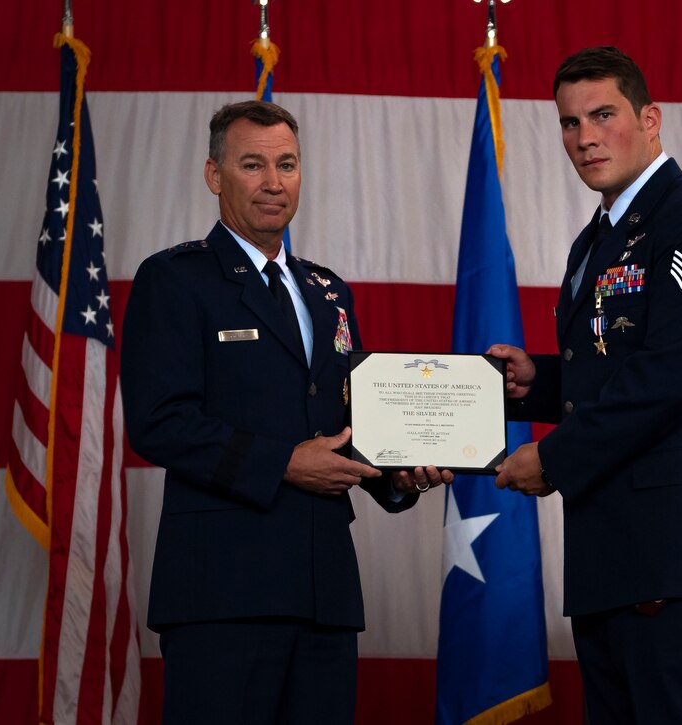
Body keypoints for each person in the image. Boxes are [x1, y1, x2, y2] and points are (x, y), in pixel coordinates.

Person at [121, 100, 450, 725]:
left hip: (323, 589)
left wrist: (396, 474)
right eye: (253, 164)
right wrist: (283, 463)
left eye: (287, 164)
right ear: (215, 175)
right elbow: (158, 422)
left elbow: (350, 420)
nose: (274, 182)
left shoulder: (329, 292)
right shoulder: (175, 280)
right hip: (222, 592)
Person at [490, 47, 682, 724]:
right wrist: (536, 382)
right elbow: (612, 363)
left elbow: (672, 375)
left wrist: (554, 457)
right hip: (611, 561)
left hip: (678, 560)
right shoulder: (598, 239)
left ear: (651, 119)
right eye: (568, 123)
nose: (584, 137)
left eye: (602, 115)